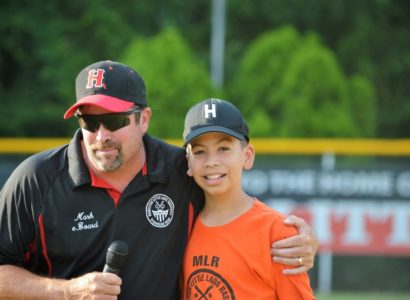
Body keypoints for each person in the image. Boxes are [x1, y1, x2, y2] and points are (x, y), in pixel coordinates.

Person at [0, 60, 317, 299]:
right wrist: (68, 291)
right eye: (89, 121)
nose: (101, 135)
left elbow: (236, 209)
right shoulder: (35, 179)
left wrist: (296, 241)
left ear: (143, 119)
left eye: (113, 120)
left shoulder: (182, 170)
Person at [181, 98, 315, 299]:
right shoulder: (182, 227)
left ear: (247, 155)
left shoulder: (276, 232)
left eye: (223, 148)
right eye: (200, 152)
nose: (211, 162)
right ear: (189, 163)